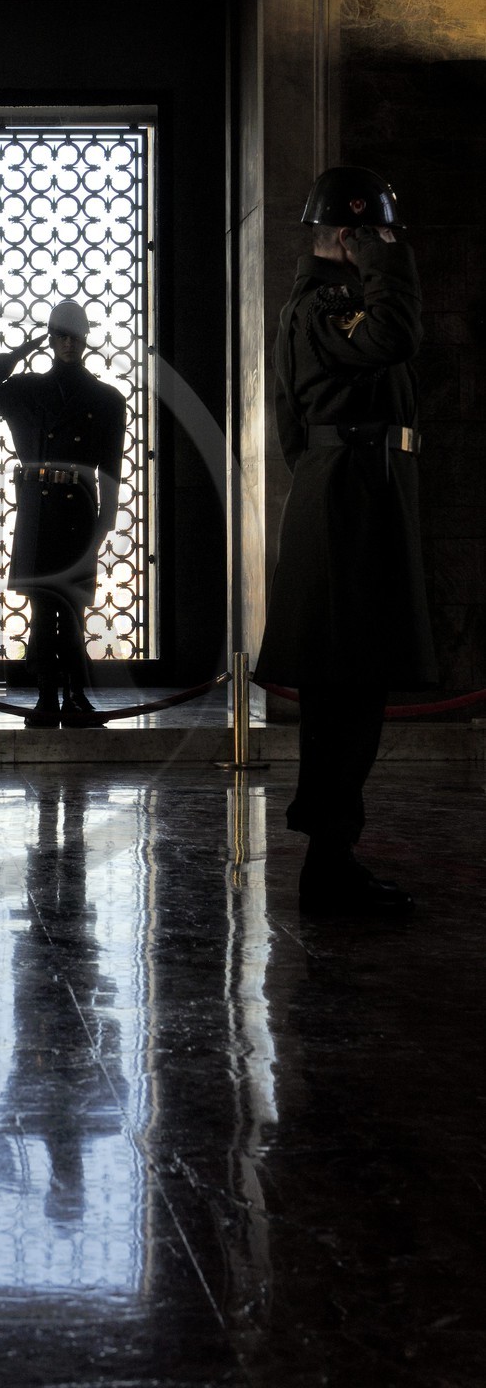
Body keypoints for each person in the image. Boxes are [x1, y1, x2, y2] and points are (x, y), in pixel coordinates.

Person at [255, 166, 436, 914]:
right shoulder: (327, 303)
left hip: (356, 493)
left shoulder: (335, 302)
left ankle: (332, 859)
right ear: (349, 233)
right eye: (375, 233)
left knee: (352, 691)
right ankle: (328, 866)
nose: (388, 245)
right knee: (345, 691)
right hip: (348, 498)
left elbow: (294, 434)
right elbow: (396, 335)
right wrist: (383, 260)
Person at [0, 301, 126, 727]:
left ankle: (74, 696)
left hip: (76, 510)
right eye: (60, 335)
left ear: (87, 337)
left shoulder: (107, 399)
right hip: (37, 507)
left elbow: (110, 468)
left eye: (75, 334)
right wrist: (19, 351)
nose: (69, 343)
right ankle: (47, 697)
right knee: (42, 606)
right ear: (50, 339)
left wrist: (105, 522)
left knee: (72, 606)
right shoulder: (28, 389)